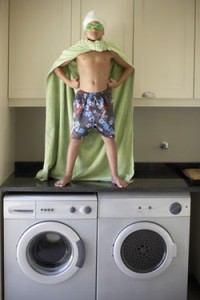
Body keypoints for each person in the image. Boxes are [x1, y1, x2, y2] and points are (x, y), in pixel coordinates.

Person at [54, 11, 134, 188]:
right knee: (75, 138)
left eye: (98, 27)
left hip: (104, 100)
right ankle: (67, 175)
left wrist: (118, 83)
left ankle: (114, 175)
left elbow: (128, 67)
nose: (94, 30)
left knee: (109, 138)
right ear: (85, 30)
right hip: (83, 100)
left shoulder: (109, 50)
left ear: (103, 31)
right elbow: (57, 67)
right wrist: (69, 82)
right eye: (90, 26)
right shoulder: (77, 50)